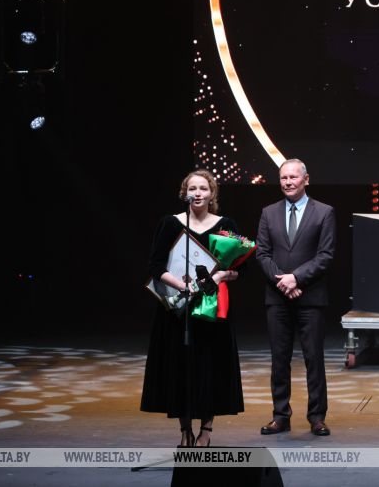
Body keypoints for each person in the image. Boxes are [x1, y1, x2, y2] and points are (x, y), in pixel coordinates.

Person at [141, 170, 245, 447]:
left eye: (203, 188)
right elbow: (155, 265)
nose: (197, 193)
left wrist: (220, 276)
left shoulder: (226, 225)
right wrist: (181, 285)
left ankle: (206, 430)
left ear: (212, 194)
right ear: (184, 193)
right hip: (178, 311)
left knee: (211, 366)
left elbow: (241, 267)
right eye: (192, 189)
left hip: (211, 310)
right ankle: (185, 430)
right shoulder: (170, 223)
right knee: (180, 367)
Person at [256, 158, 336, 437]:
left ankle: (317, 417)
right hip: (277, 298)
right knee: (279, 359)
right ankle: (280, 416)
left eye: (293, 177)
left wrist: (297, 278)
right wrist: (284, 281)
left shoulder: (324, 212)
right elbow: (262, 253)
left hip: (310, 297)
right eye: (283, 178)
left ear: (306, 179)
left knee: (314, 358)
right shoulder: (268, 212)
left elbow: (325, 255)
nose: (288, 182)